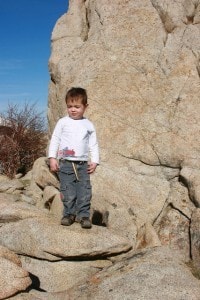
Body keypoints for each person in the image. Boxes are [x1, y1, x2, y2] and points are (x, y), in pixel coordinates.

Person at [48, 87, 99, 229]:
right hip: (65, 163)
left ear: (85, 107)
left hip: (82, 164)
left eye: (77, 106)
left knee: (84, 191)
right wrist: (52, 158)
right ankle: (69, 214)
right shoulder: (63, 122)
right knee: (67, 190)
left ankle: (83, 216)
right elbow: (55, 140)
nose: (73, 110)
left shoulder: (88, 125)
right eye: (70, 106)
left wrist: (95, 161)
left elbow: (93, 144)